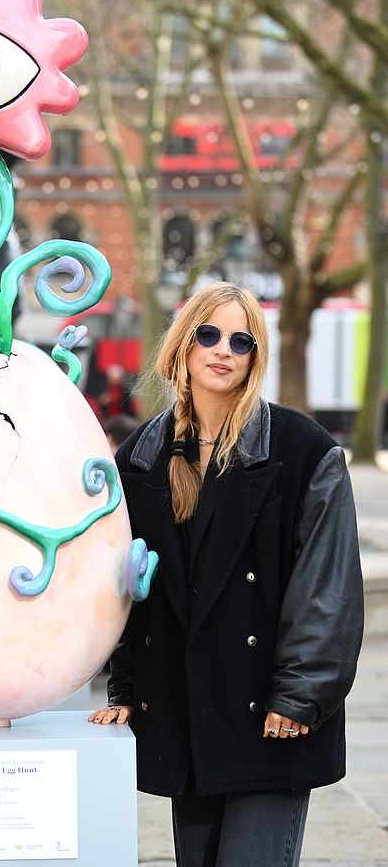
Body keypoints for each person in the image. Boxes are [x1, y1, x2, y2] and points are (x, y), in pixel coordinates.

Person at [89, 282, 364, 867]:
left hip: (271, 716)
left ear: (254, 357)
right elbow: (131, 589)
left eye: (241, 341)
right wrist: (126, 689)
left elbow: (328, 590)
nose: (223, 350)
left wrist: (299, 696)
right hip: (189, 717)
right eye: (208, 334)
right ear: (182, 346)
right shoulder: (139, 459)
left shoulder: (304, 451)